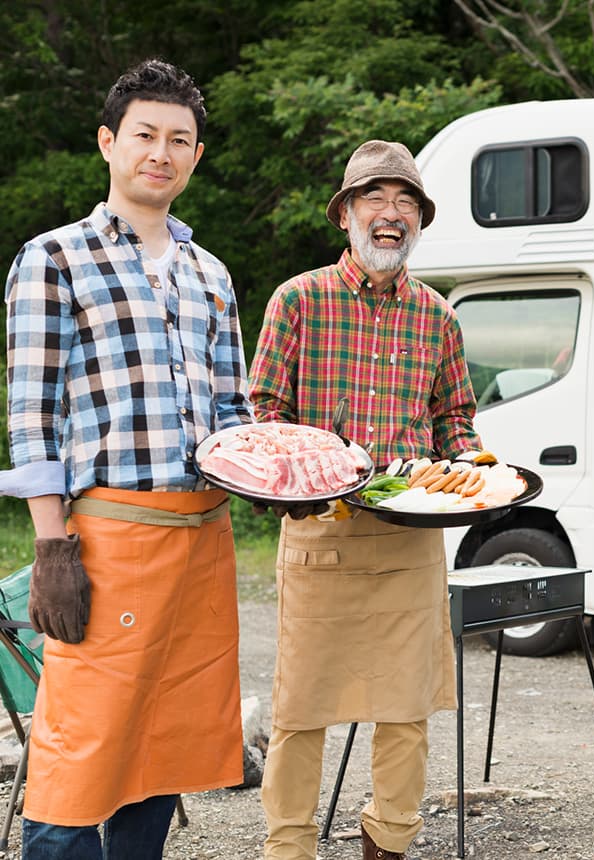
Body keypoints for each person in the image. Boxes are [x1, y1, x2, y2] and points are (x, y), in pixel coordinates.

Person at [1, 59, 249, 858]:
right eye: (145, 134)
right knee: (81, 751)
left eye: (180, 140)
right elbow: (31, 412)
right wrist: (52, 549)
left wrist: (292, 475)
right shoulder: (55, 258)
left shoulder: (211, 274)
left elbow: (236, 417)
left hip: (204, 540)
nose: (161, 152)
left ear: (196, 157)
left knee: (164, 744)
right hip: (106, 541)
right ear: (110, 142)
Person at [248, 139, 480, 860]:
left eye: (405, 202)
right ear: (346, 214)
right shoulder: (299, 300)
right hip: (323, 532)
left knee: (406, 711)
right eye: (375, 199)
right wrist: (288, 486)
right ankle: (289, 848)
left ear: (418, 222)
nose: (391, 215)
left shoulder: (437, 316)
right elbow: (263, 416)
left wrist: (474, 475)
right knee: (299, 709)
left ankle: (389, 841)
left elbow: (457, 426)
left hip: (410, 540)